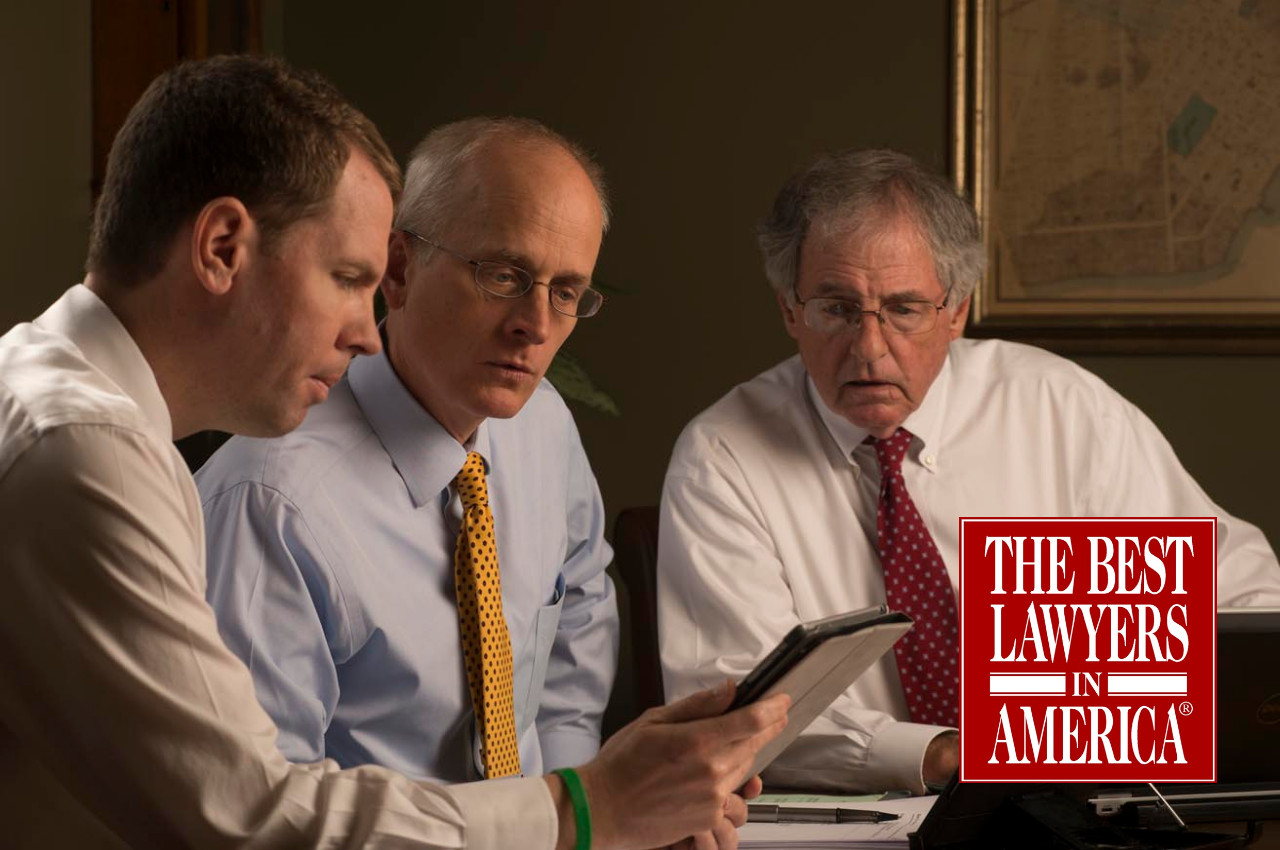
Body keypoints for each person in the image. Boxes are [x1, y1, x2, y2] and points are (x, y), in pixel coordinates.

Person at [0, 54, 787, 849]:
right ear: (222, 247)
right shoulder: (90, 452)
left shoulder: (61, 402)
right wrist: (586, 811)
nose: (365, 330)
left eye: (567, 293)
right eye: (348, 277)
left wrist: (622, 801)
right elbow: (253, 820)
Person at [656, 148, 1280, 796]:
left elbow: (1247, 601)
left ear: (956, 311)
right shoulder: (721, 457)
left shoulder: (1060, 408)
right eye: (836, 309)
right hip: (858, 823)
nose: (869, 349)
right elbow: (735, 715)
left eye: (903, 309)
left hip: (1085, 808)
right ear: (790, 309)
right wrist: (949, 754)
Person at [196, 117, 617, 784]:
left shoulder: (545, 427)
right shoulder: (271, 501)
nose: (534, 325)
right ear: (399, 269)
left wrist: (577, 811)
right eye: (505, 275)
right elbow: (263, 807)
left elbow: (582, 613)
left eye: (564, 292)